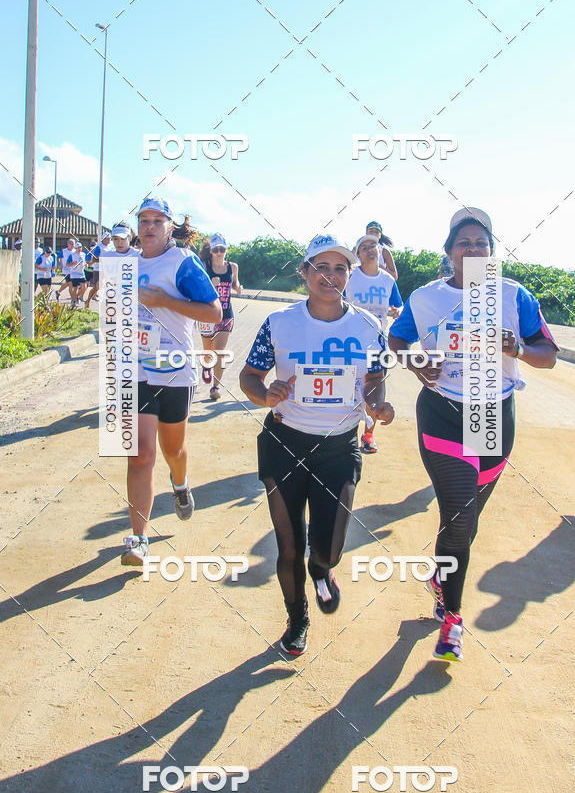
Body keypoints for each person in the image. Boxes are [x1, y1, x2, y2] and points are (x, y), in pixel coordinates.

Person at [388, 207, 558, 663]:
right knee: (460, 517)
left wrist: (519, 348)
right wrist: (415, 362)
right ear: (449, 253)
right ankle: (452, 620)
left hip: (493, 416)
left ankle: (441, 576)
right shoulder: (426, 298)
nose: (473, 249)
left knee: (465, 522)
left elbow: (548, 354)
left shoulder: (514, 296)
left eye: (482, 243)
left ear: (492, 252)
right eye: (464, 242)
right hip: (443, 412)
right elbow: (396, 340)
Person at [240, 233, 394, 656]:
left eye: (340, 268)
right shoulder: (279, 323)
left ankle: (322, 568)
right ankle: (297, 619)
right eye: (321, 267)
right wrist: (265, 394)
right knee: (289, 545)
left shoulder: (368, 327)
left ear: (350, 276)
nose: (331, 276)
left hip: (338, 449)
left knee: (326, 547)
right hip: (285, 444)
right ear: (304, 272)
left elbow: (375, 378)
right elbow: (249, 377)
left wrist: (376, 405)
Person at [121, 197, 222, 567]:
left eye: (157, 221)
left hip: (175, 371)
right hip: (137, 370)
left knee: (172, 450)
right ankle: (138, 539)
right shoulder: (127, 263)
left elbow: (214, 311)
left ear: (170, 227)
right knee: (140, 454)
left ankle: (180, 484)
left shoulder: (182, 262)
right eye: (143, 220)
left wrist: (164, 300)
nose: (149, 227)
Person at [346, 234, 403, 454]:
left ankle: (368, 436)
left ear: (380, 252)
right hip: (350, 343)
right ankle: (344, 433)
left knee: (376, 390)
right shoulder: (350, 277)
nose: (370, 249)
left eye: (374, 246)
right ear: (358, 255)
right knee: (347, 389)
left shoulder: (388, 280)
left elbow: (398, 305)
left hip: (377, 343)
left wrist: (398, 311)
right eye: (364, 247)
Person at [199, 233, 242, 400]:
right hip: (207, 314)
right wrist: (210, 284)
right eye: (215, 250)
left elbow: (235, 282)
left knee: (220, 352)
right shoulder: (205, 265)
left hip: (226, 315)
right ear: (210, 251)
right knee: (208, 351)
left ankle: (215, 387)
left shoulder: (233, 267)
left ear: (226, 250)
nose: (219, 253)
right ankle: (206, 365)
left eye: (222, 250)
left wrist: (237, 287)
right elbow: (198, 288)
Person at [85, 232, 112, 309]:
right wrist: (104, 260)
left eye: (110, 239)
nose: (109, 240)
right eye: (107, 239)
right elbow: (94, 259)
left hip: (107, 270)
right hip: (98, 270)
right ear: (103, 239)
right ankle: (88, 300)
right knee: (96, 287)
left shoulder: (110, 247)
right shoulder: (99, 247)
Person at [65, 242, 87, 306]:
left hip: (81, 273)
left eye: (80, 247)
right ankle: (74, 300)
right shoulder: (72, 255)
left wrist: (85, 264)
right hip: (74, 274)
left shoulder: (83, 254)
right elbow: (67, 264)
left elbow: (84, 262)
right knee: (75, 288)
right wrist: (73, 263)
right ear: (75, 248)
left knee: (84, 287)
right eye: (78, 248)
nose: (79, 249)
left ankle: (76, 296)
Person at [56, 237, 76, 302]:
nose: (72, 245)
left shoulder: (75, 251)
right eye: (71, 243)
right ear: (68, 244)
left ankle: (58, 291)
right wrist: (59, 264)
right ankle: (73, 299)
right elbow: (58, 257)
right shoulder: (64, 251)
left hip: (73, 270)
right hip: (66, 270)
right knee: (70, 284)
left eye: (73, 243)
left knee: (68, 283)